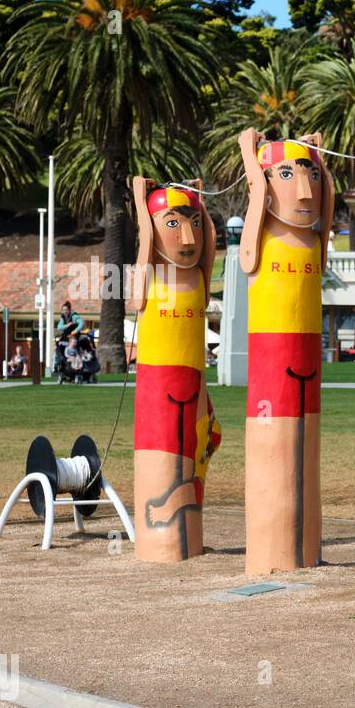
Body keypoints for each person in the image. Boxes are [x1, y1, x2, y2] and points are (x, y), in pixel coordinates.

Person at [238, 130, 334, 573]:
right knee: (276, 456)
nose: (303, 189)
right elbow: (257, 195)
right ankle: (276, 550)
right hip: (271, 388)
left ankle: (305, 548)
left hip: (307, 378)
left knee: (306, 456)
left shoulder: (316, 242)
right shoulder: (260, 241)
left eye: (311, 174)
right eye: (285, 174)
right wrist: (248, 154)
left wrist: (322, 162)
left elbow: (325, 209)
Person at [130, 178, 223, 562]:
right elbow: (136, 289)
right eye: (172, 223)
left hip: (194, 385)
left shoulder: (199, 278)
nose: (188, 237)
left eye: (194, 223)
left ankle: (182, 522)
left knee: (204, 442)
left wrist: (199, 204)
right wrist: (140, 203)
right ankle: (166, 527)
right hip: (160, 391)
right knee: (172, 459)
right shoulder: (148, 277)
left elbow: (211, 247)